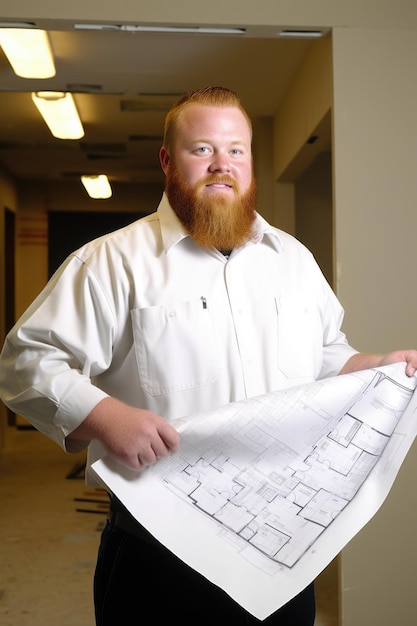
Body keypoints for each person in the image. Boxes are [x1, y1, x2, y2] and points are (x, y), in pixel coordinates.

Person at [0, 86, 416, 626]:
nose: (223, 165)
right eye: (202, 150)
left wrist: (378, 366)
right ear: (168, 160)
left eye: (236, 150)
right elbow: (26, 359)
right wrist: (105, 416)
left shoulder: (292, 259)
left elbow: (324, 355)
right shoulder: (111, 261)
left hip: (280, 544)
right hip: (158, 544)